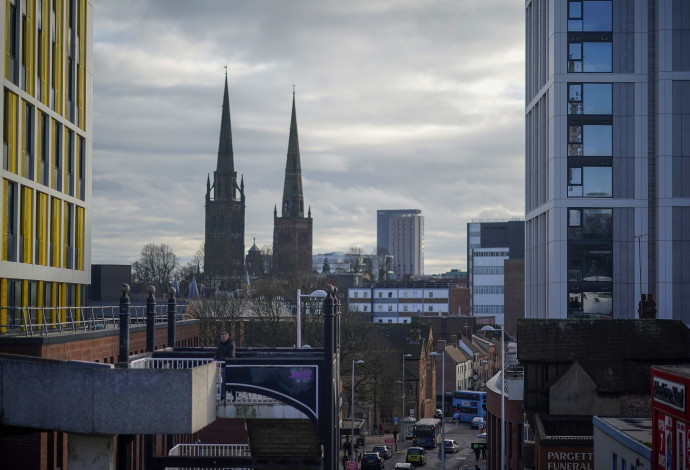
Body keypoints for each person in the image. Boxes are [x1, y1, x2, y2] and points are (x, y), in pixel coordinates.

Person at [215, 331, 236, 402]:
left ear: (227, 337)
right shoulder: (220, 345)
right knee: (226, 381)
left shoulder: (231, 344)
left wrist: (220, 359)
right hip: (221, 365)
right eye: (222, 337)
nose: (223, 339)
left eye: (224, 337)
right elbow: (217, 353)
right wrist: (215, 358)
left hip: (228, 365)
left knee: (224, 381)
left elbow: (231, 356)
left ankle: (223, 397)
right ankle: (232, 395)